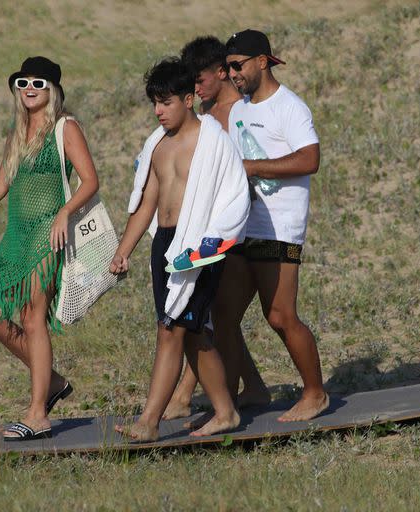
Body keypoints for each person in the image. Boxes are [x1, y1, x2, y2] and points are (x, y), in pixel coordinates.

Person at [0, 56, 100, 440]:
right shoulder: (17, 132)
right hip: (16, 234)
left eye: (38, 83)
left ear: (53, 90)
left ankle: (37, 414)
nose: (30, 89)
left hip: (49, 234)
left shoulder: (66, 127)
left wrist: (65, 212)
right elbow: (2, 183)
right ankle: (53, 382)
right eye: (23, 82)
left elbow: (90, 181)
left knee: (33, 320)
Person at [109, 58, 251, 441]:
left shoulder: (213, 141)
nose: (158, 111)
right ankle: (225, 412)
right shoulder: (157, 146)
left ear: (189, 99)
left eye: (166, 102)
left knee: (170, 330)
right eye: (154, 102)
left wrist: (211, 244)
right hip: (166, 246)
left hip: (199, 248)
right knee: (190, 334)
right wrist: (124, 250)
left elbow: (236, 196)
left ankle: (149, 422)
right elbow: (147, 202)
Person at [162, 36, 270, 421]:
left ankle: (185, 395)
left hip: (242, 229)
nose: (194, 87)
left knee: (207, 315)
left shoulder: (241, 111)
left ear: (221, 72)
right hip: (206, 229)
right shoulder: (203, 114)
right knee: (217, 316)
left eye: (199, 79)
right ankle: (253, 387)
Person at [224, 29, 329, 421]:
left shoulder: (290, 107)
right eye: (228, 67)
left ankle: (315, 393)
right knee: (222, 315)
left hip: (279, 228)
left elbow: (309, 160)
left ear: (263, 61)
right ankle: (230, 401)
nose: (232, 74)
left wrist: (253, 167)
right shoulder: (238, 110)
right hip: (242, 227)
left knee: (281, 315)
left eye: (238, 65)